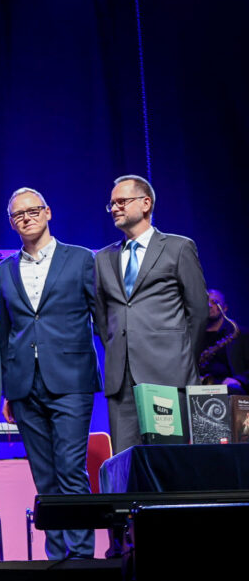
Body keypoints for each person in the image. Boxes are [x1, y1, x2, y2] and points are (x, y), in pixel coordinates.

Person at [0, 189, 100, 561]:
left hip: (71, 379)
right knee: (44, 475)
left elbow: (101, 319)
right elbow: (6, 333)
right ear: (11, 222)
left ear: (48, 212)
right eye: (18, 214)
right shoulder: (3, 269)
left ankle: (83, 555)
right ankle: (57, 557)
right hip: (25, 385)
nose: (26, 217)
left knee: (71, 468)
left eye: (33, 210)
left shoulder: (82, 259)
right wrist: (8, 391)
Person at [93, 174, 208, 453]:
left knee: (167, 458)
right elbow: (101, 316)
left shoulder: (177, 247)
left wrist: (181, 359)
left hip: (166, 374)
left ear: (146, 203)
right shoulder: (103, 258)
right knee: (126, 461)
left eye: (122, 201)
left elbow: (198, 311)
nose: (116, 208)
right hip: (122, 379)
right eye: (112, 204)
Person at [198, 289, 247, 394]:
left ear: (225, 308)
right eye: (205, 302)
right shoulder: (194, 335)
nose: (209, 305)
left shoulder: (240, 334)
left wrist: (239, 379)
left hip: (229, 389)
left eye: (215, 302)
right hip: (199, 386)